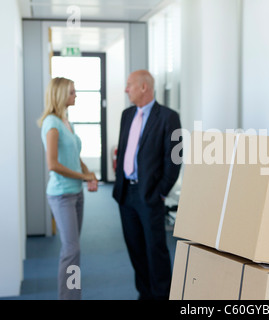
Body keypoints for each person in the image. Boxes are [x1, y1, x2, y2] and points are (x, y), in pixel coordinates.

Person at [112, 70, 182, 300]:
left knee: (155, 251)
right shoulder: (127, 114)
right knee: (136, 250)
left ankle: (162, 295)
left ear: (144, 87)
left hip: (150, 195)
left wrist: (161, 192)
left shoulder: (169, 117)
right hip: (126, 194)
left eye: (129, 84)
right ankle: (144, 294)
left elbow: (174, 158)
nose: (126, 89)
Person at [38, 77, 98, 300]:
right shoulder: (51, 124)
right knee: (71, 251)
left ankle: (73, 295)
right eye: (72, 92)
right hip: (61, 194)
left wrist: (88, 172)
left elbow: (74, 156)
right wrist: (83, 176)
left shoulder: (66, 121)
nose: (76, 95)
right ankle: (69, 297)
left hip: (76, 193)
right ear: (61, 94)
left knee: (73, 249)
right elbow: (53, 164)